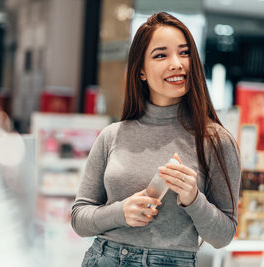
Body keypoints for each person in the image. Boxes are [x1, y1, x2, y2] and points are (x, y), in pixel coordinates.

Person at [71, 12, 241, 267]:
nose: (177, 63)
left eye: (184, 53)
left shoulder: (216, 141)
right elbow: (79, 218)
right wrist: (120, 212)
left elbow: (223, 235)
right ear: (140, 70)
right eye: (161, 55)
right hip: (104, 257)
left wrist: (194, 199)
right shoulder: (112, 135)